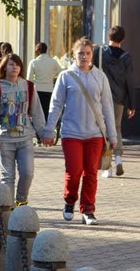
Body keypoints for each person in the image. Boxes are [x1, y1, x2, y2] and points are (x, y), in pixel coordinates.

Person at [42, 37, 117, 226]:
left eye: (88, 53)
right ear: (74, 55)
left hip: (95, 133)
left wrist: (112, 135)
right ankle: (69, 202)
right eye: (81, 53)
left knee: (91, 172)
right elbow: (56, 104)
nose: (84, 57)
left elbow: (108, 106)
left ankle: (88, 210)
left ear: (92, 55)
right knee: (74, 171)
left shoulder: (100, 76)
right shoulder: (66, 76)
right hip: (71, 133)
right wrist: (49, 130)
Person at [0, 53, 46, 206]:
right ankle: (8, 208)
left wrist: (44, 133)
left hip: (25, 139)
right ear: (4, 67)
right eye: (11, 64)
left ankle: (21, 200)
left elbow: (37, 113)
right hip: (4, 140)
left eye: (17, 64)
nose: (15, 67)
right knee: (7, 177)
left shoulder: (28, 86)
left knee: (27, 173)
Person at [94, 25, 135, 177]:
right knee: (116, 128)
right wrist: (132, 104)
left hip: (100, 96)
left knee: (102, 130)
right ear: (122, 39)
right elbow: (130, 80)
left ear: (108, 37)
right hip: (119, 98)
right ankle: (118, 158)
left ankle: (107, 167)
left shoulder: (99, 52)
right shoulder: (126, 57)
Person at [27, 42, 62, 117]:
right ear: (46, 50)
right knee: (47, 112)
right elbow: (61, 72)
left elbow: (29, 79)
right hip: (49, 89)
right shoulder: (53, 61)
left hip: (37, 89)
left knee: (37, 113)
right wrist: (52, 75)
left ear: (37, 51)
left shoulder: (33, 62)